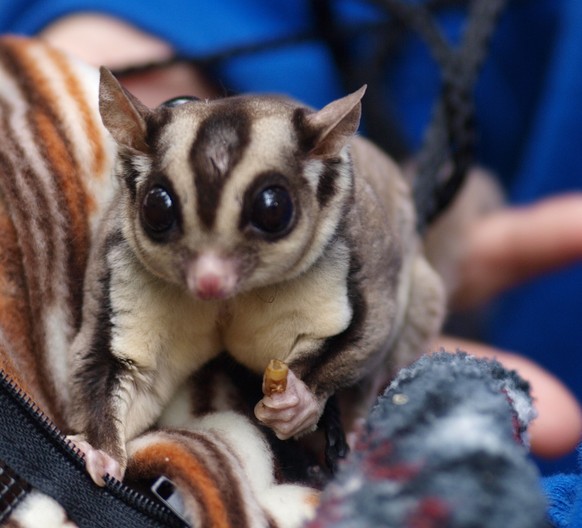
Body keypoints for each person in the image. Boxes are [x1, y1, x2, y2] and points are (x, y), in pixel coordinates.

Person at [1, 0, 581, 472]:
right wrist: (125, 37)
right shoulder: (125, 235)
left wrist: (317, 391)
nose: (208, 277)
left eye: (269, 213)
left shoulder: (352, 244)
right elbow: (115, 363)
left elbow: (367, 323)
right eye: (161, 212)